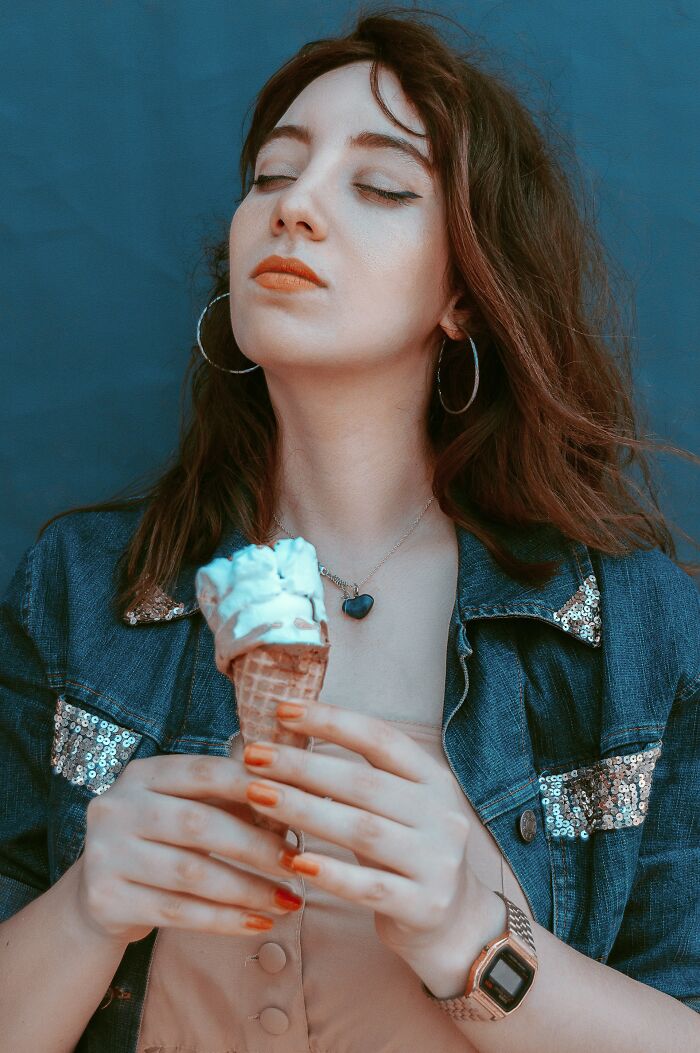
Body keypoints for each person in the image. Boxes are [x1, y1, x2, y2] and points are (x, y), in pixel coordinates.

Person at [1, 8, 698, 1052]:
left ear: (463, 295)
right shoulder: (86, 589)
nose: (297, 211)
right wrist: (89, 907)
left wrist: (473, 936)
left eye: (378, 186)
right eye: (273, 175)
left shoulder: (623, 629)